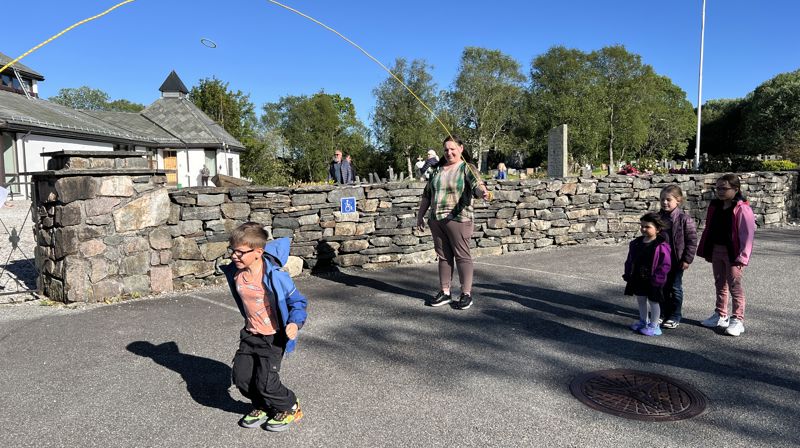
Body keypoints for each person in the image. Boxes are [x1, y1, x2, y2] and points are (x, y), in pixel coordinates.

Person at [222, 222, 308, 431]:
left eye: (240, 252)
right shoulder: (236, 272)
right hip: (251, 334)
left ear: (258, 252)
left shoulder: (276, 276)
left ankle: (290, 406)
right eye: (232, 250)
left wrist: (295, 324)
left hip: (273, 337)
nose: (234, 256)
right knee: (241, 378)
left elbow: (297, 303)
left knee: (266, 383)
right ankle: (261, 406)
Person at [416, 135, 489, 310]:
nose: (449, 152)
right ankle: (445, 292)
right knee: (443, 257)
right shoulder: (437, 169)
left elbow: (477, 186)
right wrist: (420, 216)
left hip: (459, 219)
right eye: (446, 150)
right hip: (437, 220)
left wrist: (483, 193)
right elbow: (427, 195)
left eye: (452, 149)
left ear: (461, 149)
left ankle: (466, 294)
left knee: (462, 256)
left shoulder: (467, 168)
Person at [697, 174, 755, 337]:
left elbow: (747, 235)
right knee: (719, 283)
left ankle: (737, 319)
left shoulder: (742, 208)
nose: (720, 191)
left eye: (724, 188)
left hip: (733, 254)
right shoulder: (715, 206)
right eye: (718, 188)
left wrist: (742, 257)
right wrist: (706, 249)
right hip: (716, 250)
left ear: (735, 189)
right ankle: (720, 314)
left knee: (735, 286)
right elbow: (709, 228)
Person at [623, 212, 672, 336]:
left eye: (647, 227)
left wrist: (658, 279)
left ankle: (654, 325)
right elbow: (630, 260)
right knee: (640, 299)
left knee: (654, 302)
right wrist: (628, 273)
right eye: (642, 226)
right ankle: (643, 321)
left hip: (654, 280)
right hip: (639, 278)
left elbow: (665, 264)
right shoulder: (636, 243)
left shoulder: (662, 246)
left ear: (658, 229)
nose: (643, 229)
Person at [657, 185, 698, 329]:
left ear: (678, 200)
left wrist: (687, 259)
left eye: (668, 199)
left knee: (675, 288)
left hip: (676, 261)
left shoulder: (684, 219)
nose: (665, 203)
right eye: (662, 199)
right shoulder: (657, 218)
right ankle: (661, 313)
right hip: (660, 261)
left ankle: (675, 315)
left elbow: (692, 241)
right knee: (661, 287)